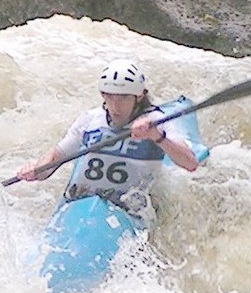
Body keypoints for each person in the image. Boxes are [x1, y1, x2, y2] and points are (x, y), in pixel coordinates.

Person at [17, 59, 199, 213]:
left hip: (129, 209)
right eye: (109, 97)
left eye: (123, 98)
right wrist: (37, 169)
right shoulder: (89, 121)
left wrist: (157, 136)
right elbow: (56, 157)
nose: (115, 106)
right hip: (81, 202)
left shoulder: (157, 121)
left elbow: (190, 163)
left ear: (139, 97)